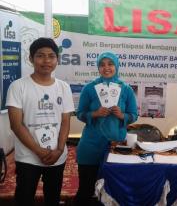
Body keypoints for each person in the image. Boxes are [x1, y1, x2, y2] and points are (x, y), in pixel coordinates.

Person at [6, 37, 74, 206]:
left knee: (52, 197)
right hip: (28, 157)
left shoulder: (63, 87)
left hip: (57, 156)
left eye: (51, 56)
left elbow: (65, 121)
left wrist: (59, 149)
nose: (46, 61)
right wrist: (39, 151)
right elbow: (16, 124)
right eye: (40, 56)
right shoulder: (18, 86)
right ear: (31, 59)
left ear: (57, 60)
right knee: (24, 197)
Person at [74, 51, 138, 206]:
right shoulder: (90, 88)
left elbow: (134, 115)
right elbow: (80, 114)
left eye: (110, 64)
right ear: (98, 67)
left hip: (116, 146)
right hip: (90, 145)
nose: (106, 68)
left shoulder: (126, 89)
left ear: (116, 66)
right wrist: (94, 114)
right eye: (102, 64)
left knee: (114, 190)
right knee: (86, 189)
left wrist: (122, 116)